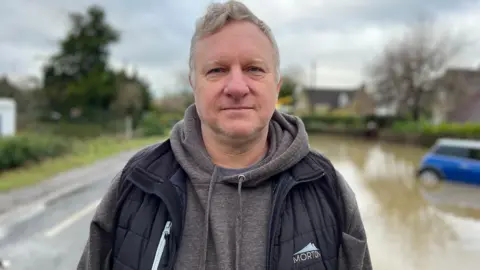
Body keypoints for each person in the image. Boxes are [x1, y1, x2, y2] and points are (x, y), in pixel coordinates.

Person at [77, 1, 372, 269]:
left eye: (254, 69)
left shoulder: (326, 186)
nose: (236, 87)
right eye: (217, 70)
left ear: (277, 85)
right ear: (194, 84)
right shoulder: (137, 181)